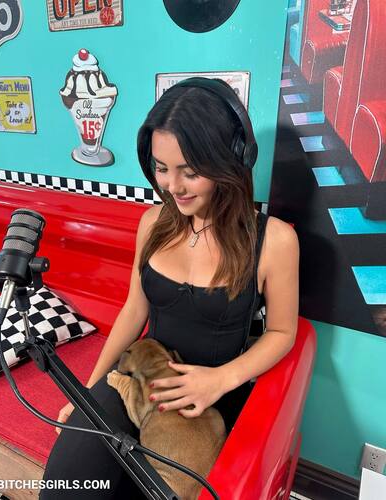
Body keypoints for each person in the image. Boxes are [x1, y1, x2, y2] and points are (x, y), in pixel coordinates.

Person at [41, 77, 299, 498]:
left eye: (190, 172)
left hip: (209, 398)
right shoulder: (153, 223)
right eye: (161, 168)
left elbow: (283, 332)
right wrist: (88, 392)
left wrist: (221, 379)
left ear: (231, 161)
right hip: (138, 376)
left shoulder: (275, 241)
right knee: (64, 489)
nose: (172, 186)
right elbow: (134, 310)